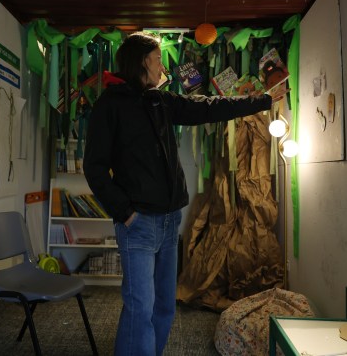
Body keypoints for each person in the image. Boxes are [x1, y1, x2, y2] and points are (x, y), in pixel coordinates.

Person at [83, 32, 275, 356]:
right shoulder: (110, 105)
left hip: (170, 222)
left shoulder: (161, 100)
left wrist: (262, 101)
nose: (162, 67)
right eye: (158, 59)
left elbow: (208, 108)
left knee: (164, 308)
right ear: (143, 62)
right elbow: (94, 168)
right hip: (138, 225)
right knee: (140, 309)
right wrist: (124, 212)